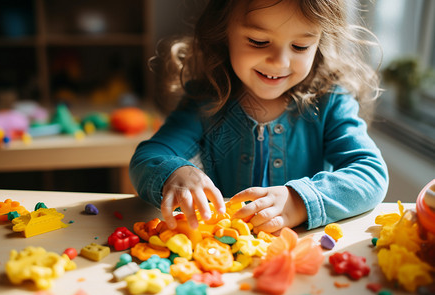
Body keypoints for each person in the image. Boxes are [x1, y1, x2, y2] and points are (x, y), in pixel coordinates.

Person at [129, 0, 389, 235]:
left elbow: (371, 174)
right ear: (223, 31)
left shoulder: (330, 100)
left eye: (300, 46)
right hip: (227, 258)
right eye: (258, 41)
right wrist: (175, 173)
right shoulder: (205, 101)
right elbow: (148, 157)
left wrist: (299, 201)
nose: (280, 62)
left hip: (306, 254)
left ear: (319, 42)